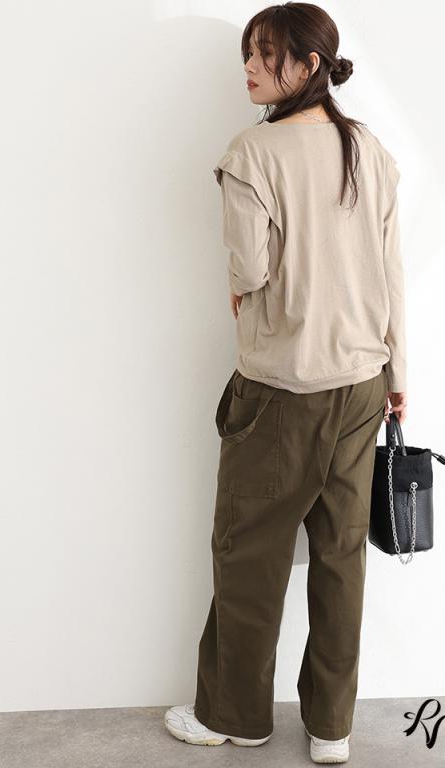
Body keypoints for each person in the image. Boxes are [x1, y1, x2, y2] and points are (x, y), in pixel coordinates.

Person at [165, 3, 407, 764]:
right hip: (364, 383)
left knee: (250, 556)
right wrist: (400, 372)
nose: (248, 66)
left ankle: (237, 716)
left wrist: (239, 287)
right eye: (248, 52)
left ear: (307, 66)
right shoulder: (370, 149)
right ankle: (331, 729)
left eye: (264, 54)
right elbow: (391, 272)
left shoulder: (253, 152)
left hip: (280, 391)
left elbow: (252, 267)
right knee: (341, 558)